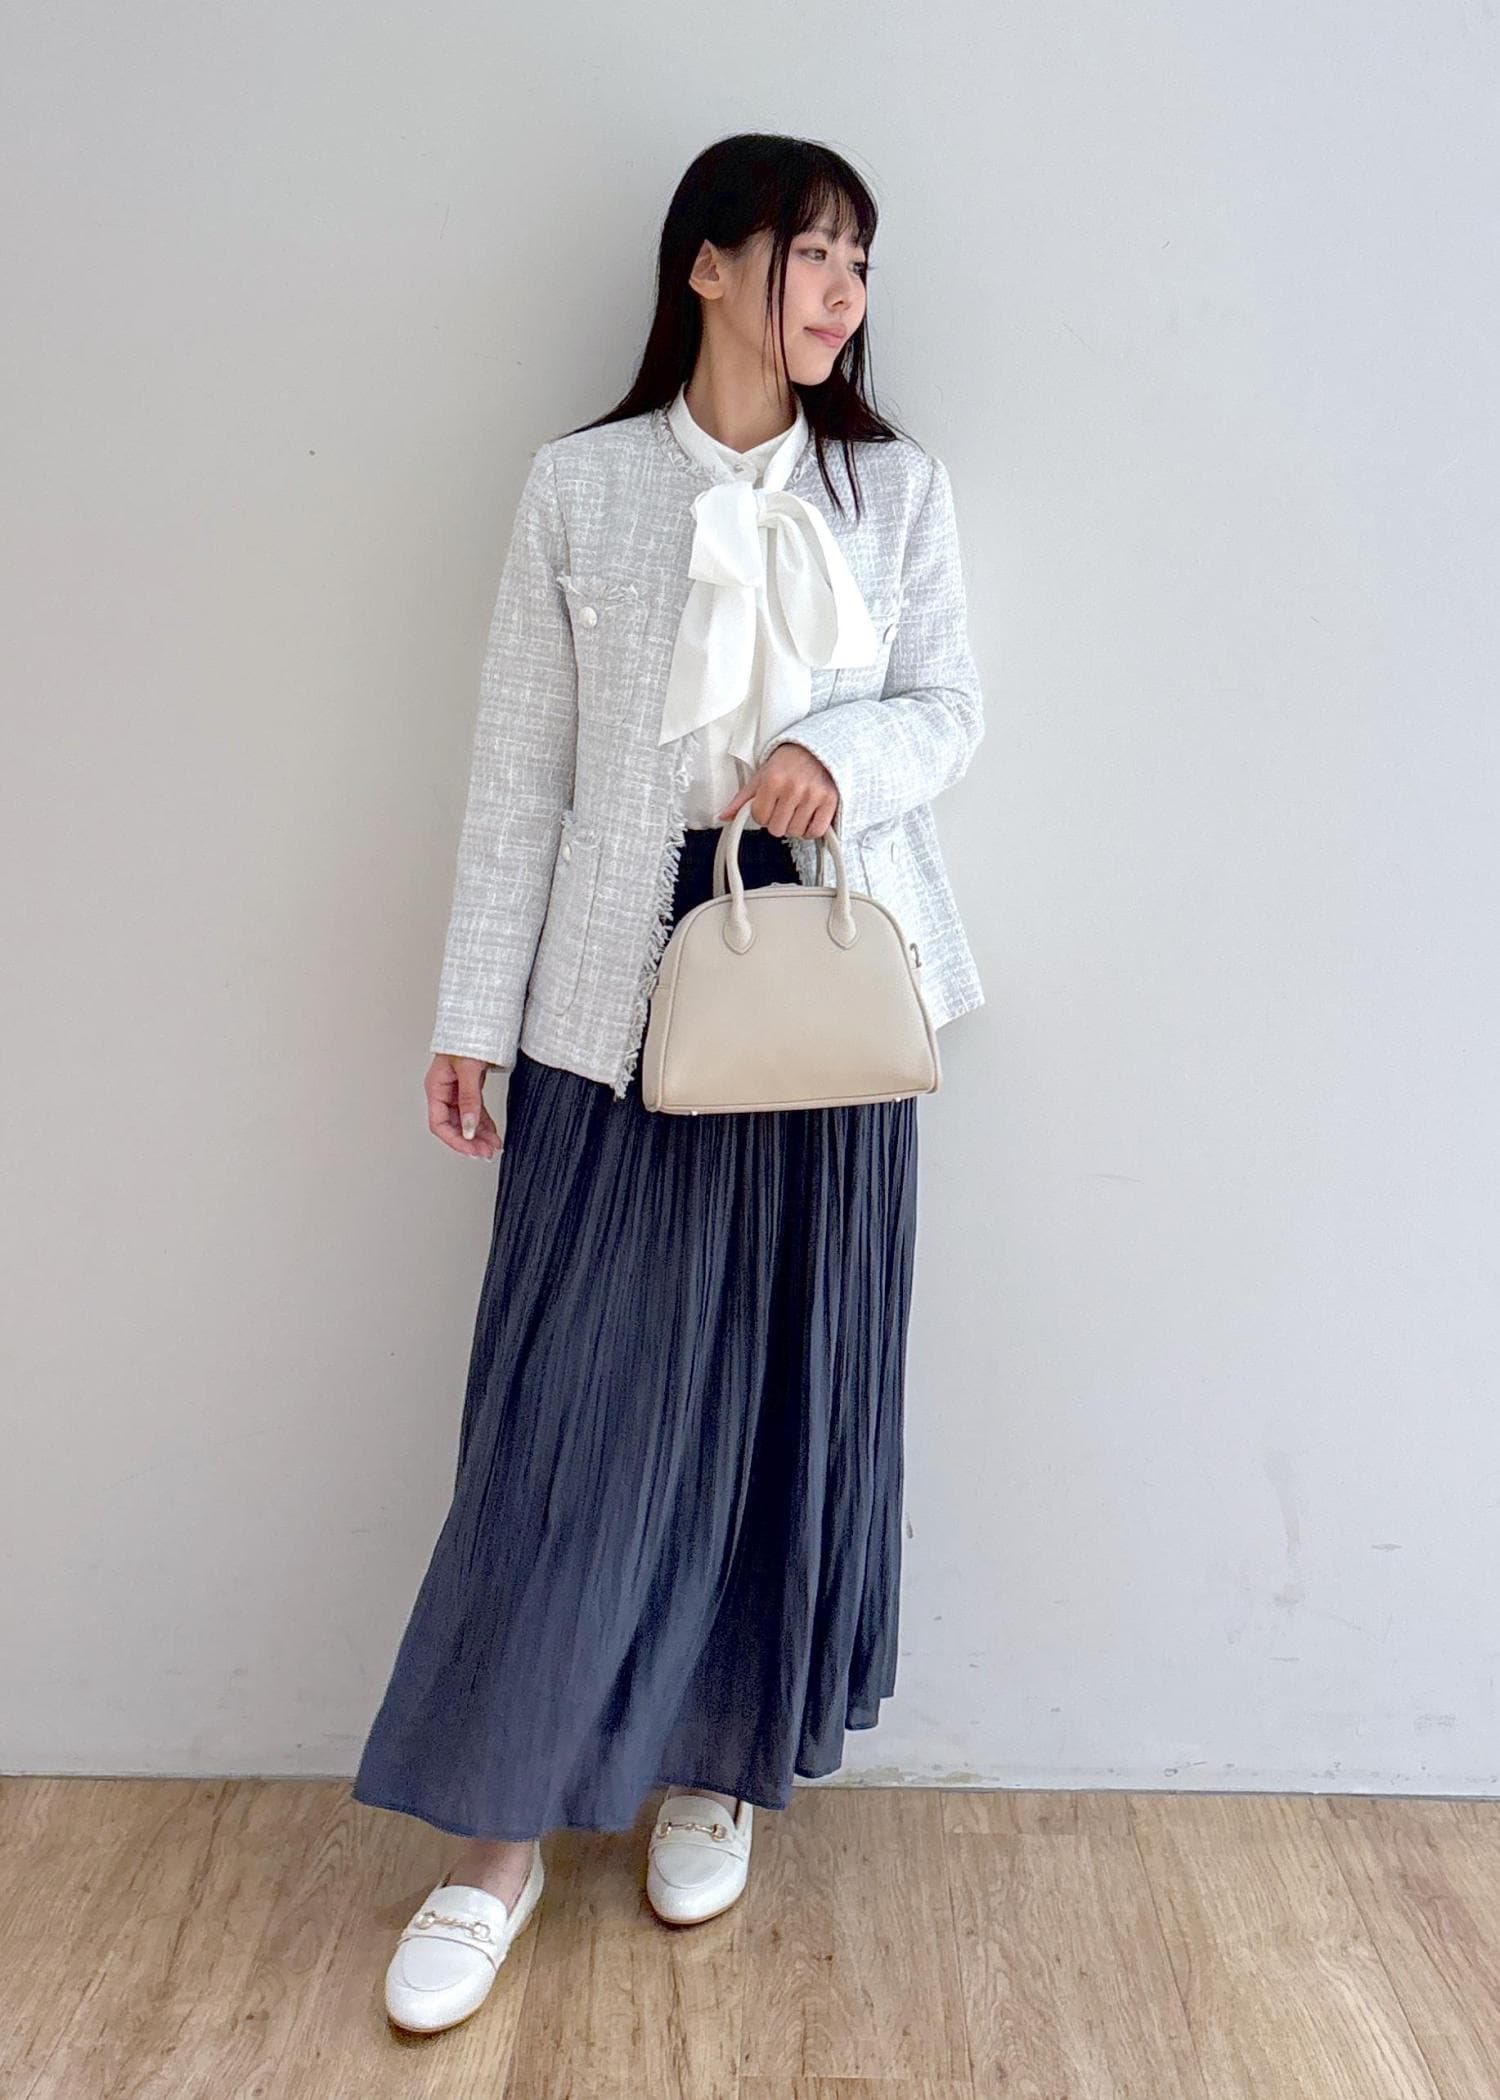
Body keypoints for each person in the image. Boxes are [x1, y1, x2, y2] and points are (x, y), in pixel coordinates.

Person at [350, 131, 986, 2033]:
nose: (841, 293)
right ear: (708, 264)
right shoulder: (582, 488)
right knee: (569, 1423)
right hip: (611, 1004)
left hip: (833, 996)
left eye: (861, 263)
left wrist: (835, 759)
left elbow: (950, 709)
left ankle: (721, 1766)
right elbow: (519, 773)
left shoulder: (894, 488)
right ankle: (494, 1846)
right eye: (812, 252)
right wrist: (472, 1017)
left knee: (790, 1395)